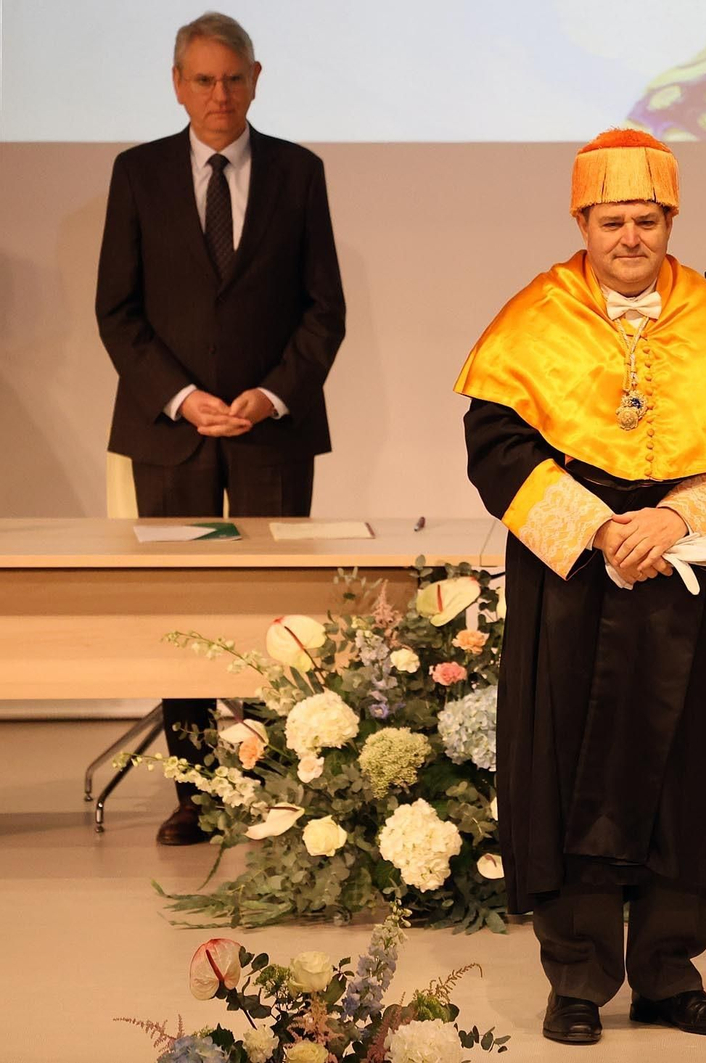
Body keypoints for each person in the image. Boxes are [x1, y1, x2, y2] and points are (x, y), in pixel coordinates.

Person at [455, 129, 706, 1046]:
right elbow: (498, 446)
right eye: (611, 221)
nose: (629, 237)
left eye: (645, 219)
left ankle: (671, 972)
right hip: (576, 586)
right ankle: (578, 977)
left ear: (670, 220)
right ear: (582, 223)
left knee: (690, 770)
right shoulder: (535, 316)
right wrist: (600, 528)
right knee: (571, 767)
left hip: (685, 574)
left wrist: (676, 521)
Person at [95, 11, 345, 846]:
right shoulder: (137, 174)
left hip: (271, 432)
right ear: (178, 85)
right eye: (203, 80)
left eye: (233, 78)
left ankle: (283, 786)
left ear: (257, 78)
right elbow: (118, 310)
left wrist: (273, 395)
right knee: (186, 605)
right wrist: (180, 396)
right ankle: (197, 790)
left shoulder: (299, 173)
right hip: (171, 433)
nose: (219, 95)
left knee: (278, 614)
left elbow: (323, 309)